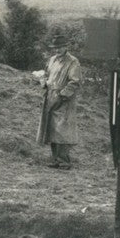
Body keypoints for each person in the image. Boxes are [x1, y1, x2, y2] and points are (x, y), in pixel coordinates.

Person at [35, 33, 82, 170]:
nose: (57, 50)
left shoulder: (73, 62)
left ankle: (64, 161)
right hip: (50, 96)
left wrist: (62, 96)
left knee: (63, 129)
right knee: (51, 129)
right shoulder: (52, 60)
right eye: (55, 47)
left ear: (66, 46)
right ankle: (56, 159)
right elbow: (47, 75)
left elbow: (75, 82)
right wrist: (43, 83)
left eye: (60, 47)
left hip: (64, 99)